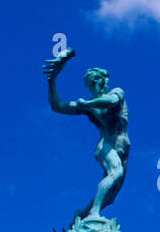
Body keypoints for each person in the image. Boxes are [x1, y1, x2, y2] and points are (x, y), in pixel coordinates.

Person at [43, 50, 130, 220]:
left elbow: (111, 101)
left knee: (111, 197)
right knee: (116, 172)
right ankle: (93, 213)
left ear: (104, 81)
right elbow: (57, 106)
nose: (93, 85)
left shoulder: (116, 93)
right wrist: (52, 80)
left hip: (123, 148)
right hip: (106, 146)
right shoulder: (88, 107)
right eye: (90, 83)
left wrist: (87, 103)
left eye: (95, 80)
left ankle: (81, 214)